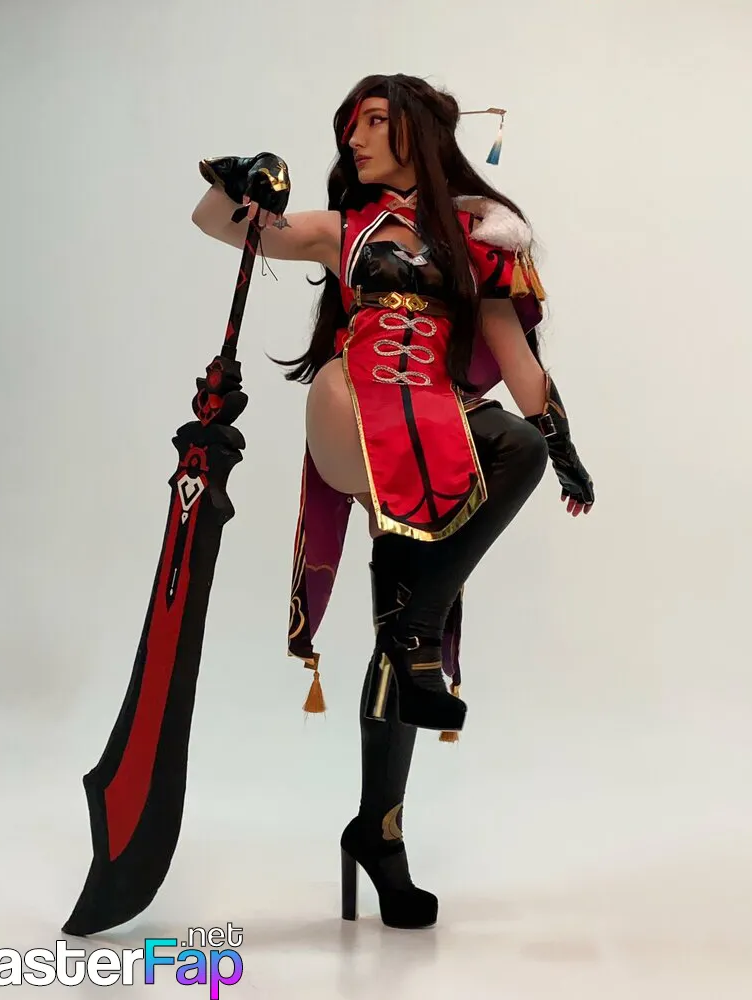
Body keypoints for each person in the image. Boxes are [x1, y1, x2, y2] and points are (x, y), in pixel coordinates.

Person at [191, 73, 594, 930]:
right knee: (411, 609)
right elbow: (219, 226)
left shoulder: (477, 242)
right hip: (357, 408)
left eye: (375, 122)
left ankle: (379, 831)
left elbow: (516, 362)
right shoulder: (343, 229)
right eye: (352, 126)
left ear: (419, 132)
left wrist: (564, 454)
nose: (356, 139)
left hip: (434, 425)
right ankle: (418, 634)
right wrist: (237, 178)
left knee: (503, 464)